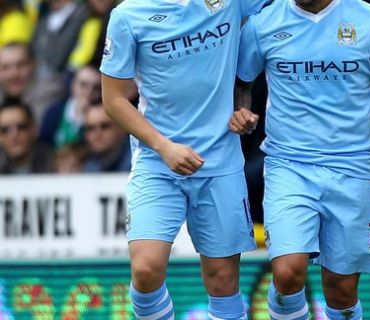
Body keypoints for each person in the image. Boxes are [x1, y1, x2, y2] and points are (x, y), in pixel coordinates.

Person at [230, 0, 370, 319]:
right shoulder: (264, 23)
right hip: (289, 165)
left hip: (354, 168)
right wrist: (241, 109)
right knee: (288, 272)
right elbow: (241, 82)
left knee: (341, 289)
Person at [100, 0, 270, 319]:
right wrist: (164, 147)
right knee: (146, 270)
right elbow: (113, 100)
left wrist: (242, 103)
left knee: (223, 280)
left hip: (219, 162)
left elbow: (288, 12)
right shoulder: (127, 15)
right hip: (157, 162)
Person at [0, 43, 65, 122]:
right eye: (5, 68)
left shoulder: (51, 91)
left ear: (34, 64)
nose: (14, 74)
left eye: (21, 65)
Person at [40, 64, 101, 149]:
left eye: (96, 88)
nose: (89, 91)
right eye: (83, 85)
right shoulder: (54, 112)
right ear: (73, 85)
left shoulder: (104, 119)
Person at [0, 102, 54, 174]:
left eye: (21, 127)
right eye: (5, 130)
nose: (13, 135)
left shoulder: (54, 163)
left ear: (34, 129)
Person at [83, 103, 130, 172]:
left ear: (121, 128)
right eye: (90, 128)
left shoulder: (137, 164)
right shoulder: (89, 166)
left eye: (105, 126)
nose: (97, 134)